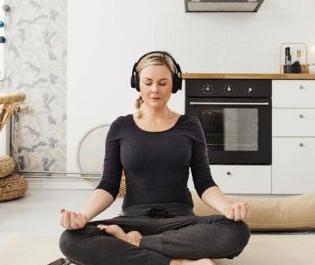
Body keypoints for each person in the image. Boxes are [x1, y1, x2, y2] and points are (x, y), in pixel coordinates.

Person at [58, 51, 251, 265]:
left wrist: (226, 208)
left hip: (181, 222)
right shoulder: (120, 127)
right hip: (133, 220)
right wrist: (83, 216)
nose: (155, 90)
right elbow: (108, 185)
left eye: (162, 83)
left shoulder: (190, 125)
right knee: (70, 239)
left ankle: (136, 245)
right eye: (148, 82)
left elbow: (204, 182)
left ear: (174, 84)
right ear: (137, 83)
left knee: (236, 231)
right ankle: (178, 262)